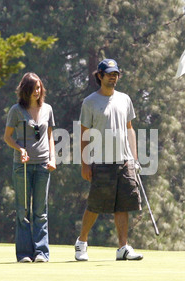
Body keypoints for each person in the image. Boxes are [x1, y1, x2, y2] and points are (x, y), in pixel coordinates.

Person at [75, 59, 143, 261]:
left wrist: (134, 158)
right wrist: (85, 163)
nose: (113, 77)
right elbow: (84, 134)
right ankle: (82, 242)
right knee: (95, 205)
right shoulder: (90, 102)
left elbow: (129, 128)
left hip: (124, 160)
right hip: (101, 161)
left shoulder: (124, 99)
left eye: (116, 74)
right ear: (100, 76)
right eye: (110, 74)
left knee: (123, 205)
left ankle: (123, 247)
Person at [4, 72, 56, 263]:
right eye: (33, 88)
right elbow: (7, 137)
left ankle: (41, 253)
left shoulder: (48, 109)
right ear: (25, 90)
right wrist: (20, 148)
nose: (37, 91)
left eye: (39, 87)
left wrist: (53, 158)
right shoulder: (16, 111)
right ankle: (24, 254)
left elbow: (50, 136)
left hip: (43, 165)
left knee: (40, 211)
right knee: (22, 210)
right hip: (22, 167)